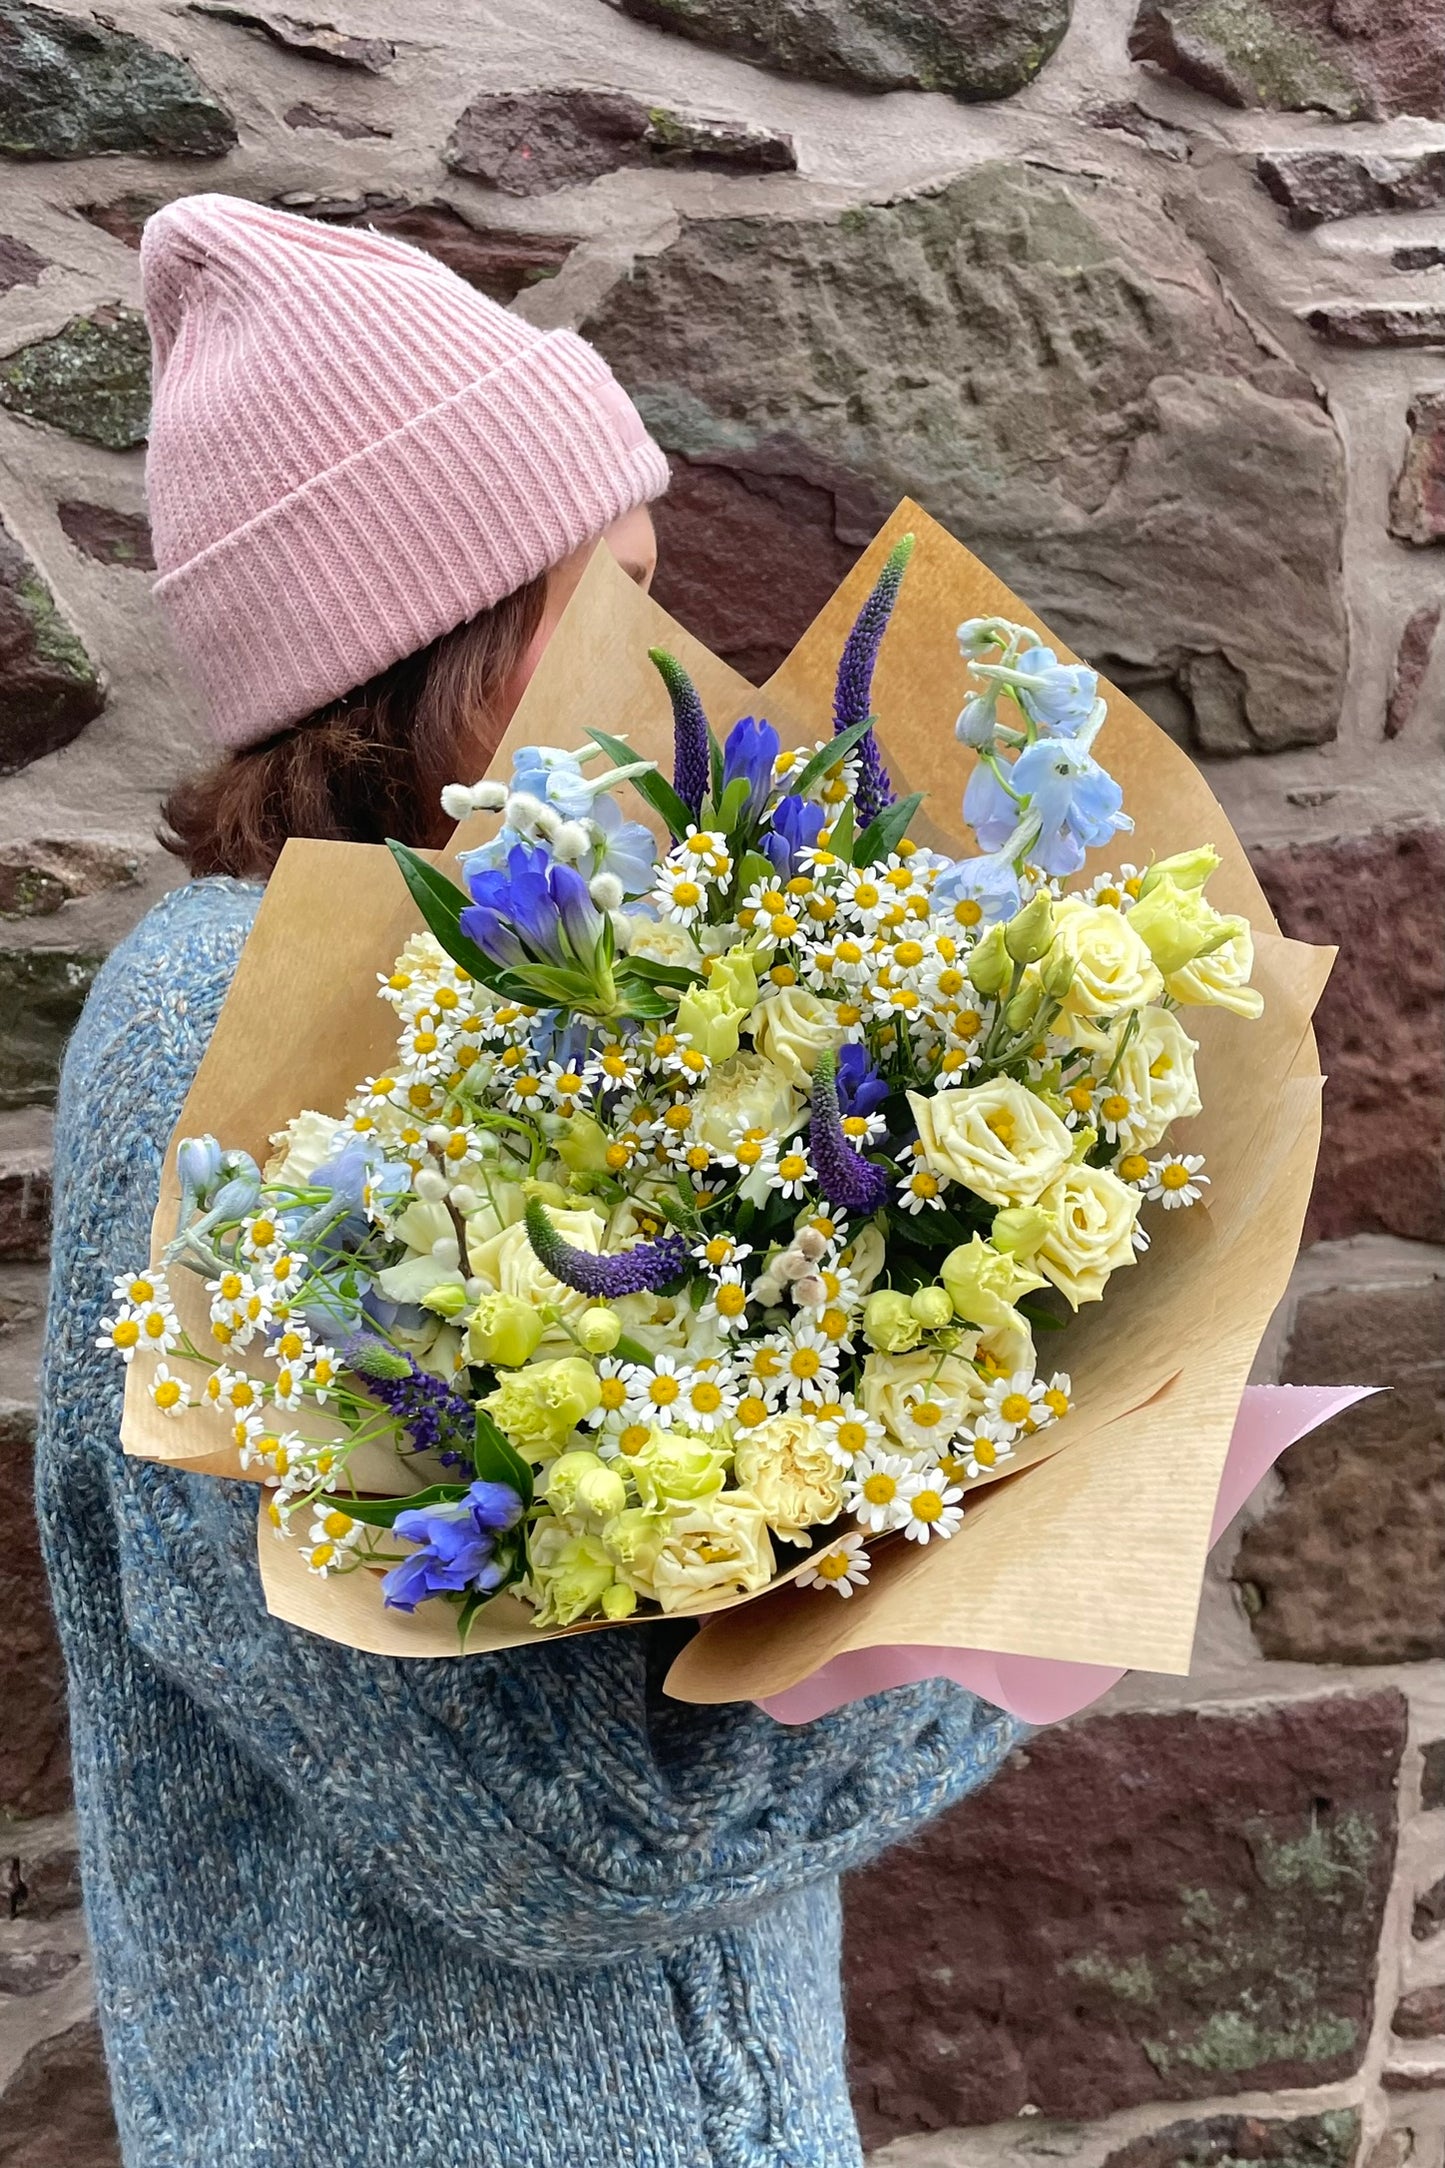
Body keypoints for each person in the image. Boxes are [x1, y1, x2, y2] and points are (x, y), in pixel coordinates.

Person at [36, 196, 1019, 2168]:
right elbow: (574, 1836)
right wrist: (1004, 1614)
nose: (671, 657)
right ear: (450, 627)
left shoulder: (548, 1002)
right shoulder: (241, 1044)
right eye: (621, 584)